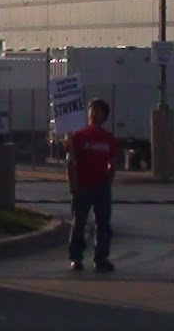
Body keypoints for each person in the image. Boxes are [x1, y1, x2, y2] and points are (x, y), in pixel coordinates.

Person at [64, 98, 119, 273]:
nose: (96, 113)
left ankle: (101, 258)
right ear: (88, 113)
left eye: (100, 111)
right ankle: (76, 258)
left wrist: (108, 181)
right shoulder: (78, 136)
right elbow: (70, 161)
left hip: (101, 187)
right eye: (93, 110)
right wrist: (72, 185)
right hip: (82, 187)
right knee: (79, 224)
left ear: (105, 116)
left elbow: (114, 161)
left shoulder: (108, 138)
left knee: (103, 224)